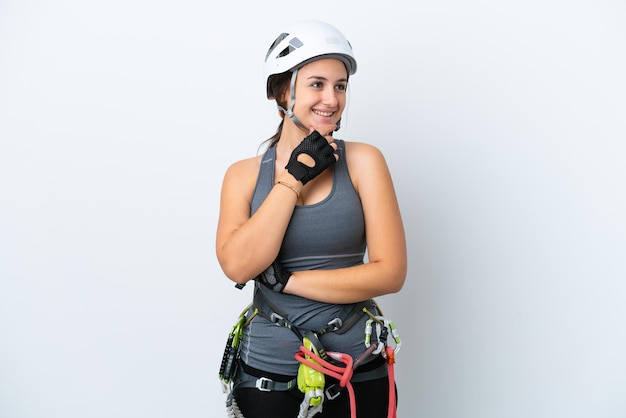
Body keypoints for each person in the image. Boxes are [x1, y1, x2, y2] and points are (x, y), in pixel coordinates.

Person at [216, 20, 407, 418]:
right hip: (267, 370)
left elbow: (390, 273)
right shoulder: (244, 175)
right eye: (317, 84)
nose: (332, 99)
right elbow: (238, 265)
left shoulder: (364, 162)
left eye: (340, 86)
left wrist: (290, 282)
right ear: (281, 92)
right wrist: (294, 178)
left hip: (357, 367)